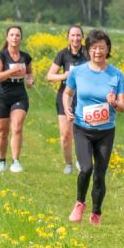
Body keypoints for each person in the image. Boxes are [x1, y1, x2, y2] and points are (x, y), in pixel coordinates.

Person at [62, 29, 124, 226]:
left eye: (101, 47)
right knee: (86, 168)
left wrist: (114, 103)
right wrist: (67, 108)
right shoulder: (78, 72)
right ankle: (79, 203)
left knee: (100, 173)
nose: (98, 51)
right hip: (82, 128)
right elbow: (67, 93)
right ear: (88, 49)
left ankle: (96, 211)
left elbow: (122, 106)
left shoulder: (116, 74)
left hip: (106, 131)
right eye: (93, 48)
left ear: (108, 49)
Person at [0, 25, 34, 172]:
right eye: (12, 35)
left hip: (19, 96)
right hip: (2, 97)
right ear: (7, 37)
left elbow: (29, 74)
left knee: (17, 127)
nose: (15, 37)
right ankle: (2, 161)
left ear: (21, 38)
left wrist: (30, 81)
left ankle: (16, 161)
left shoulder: (25, 57)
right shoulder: (1, 56)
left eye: (17, 35)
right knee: (2, 132)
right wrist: (11, 71)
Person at [47, 25, 88, 174]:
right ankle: (68, 164)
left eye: (78, 35)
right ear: (68, 37)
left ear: (82, 37)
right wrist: (63, 76)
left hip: (84, 97)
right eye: (73, 35)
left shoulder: (88, 54)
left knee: (83, 133)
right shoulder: (63, 54)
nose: (75, 38)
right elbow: (49, 76)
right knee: (66, 135)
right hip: (65, 96)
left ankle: (81, 160)